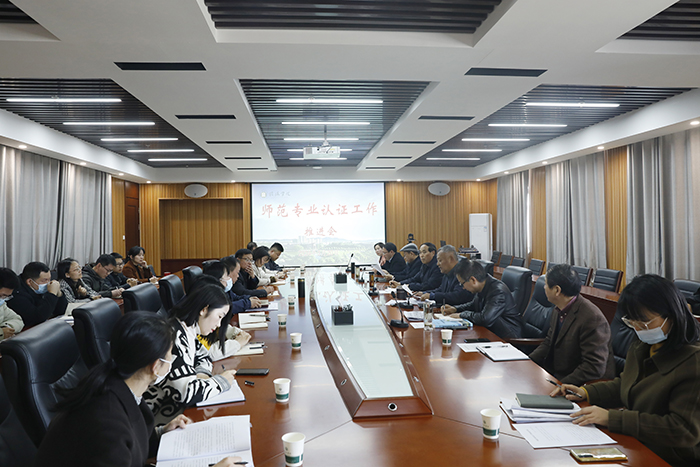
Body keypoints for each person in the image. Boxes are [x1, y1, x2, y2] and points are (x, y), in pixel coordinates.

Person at [34, 312, 240, 467]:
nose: (173, 360)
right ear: (155, 365)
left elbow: (128, 445)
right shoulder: (105, 420)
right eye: (171, 354)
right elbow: (117, 445)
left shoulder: (118, 385)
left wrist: (161, 434)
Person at [553, 275, 700, 467]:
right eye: (632, 321)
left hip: (669, 457)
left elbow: (683, 430)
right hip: (636, 442)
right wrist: (586, 392)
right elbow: (628, 383)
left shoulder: (693, 363)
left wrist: (612, 418)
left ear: (671, 315)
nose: (638, 328)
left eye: (644, 322)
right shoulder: (644, 343)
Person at [145, 283, 237, 424]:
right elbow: (187, 393)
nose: (219, 324)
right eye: (219, 316)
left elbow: (204, 356)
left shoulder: (188, 330)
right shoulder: (174, 336)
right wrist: (222, 382)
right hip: (156, 417)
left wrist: (202, 375)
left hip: (175, 411)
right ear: (204, 309)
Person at [529, 264, 615, 385]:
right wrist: (527, 361)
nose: (544, 287)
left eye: (546, 284)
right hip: (556, 374)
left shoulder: (592, 318)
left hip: (579, 383)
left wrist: (560, 385)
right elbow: (549, 342)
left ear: (557, 290)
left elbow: (593, 367)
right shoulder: (559, 308)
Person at [443, 259, 522, 339]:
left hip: (508, 338)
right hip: (491, 332)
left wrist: (462, 315)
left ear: (473, 280)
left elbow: (485, 319)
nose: (463, 287)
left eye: (462, 283)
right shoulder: (483, 285)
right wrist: (455, 309)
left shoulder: (498, 292)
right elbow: (473, 305)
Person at [190, 274, 252, 361]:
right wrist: (237, 343)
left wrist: (238, 334)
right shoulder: (187, 331)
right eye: (219, 316)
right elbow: (208, 354)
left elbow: (222, 327)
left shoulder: (202, 323)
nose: (218, 324)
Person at [8, 261, 67, 327]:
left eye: (49, 279)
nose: (48, 283)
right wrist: (52, 294)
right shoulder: (17, 293)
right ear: (29, 281)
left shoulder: (38, 287)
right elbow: (37, 318)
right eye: (44, 280)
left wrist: (59, 293)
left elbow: (60, 311)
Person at [0, 267, 24, 341]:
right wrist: (1, 333)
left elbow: (18, 320)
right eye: (2, 295)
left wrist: (7, 327)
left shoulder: (1, 305)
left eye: (6, 296)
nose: (2, 299)